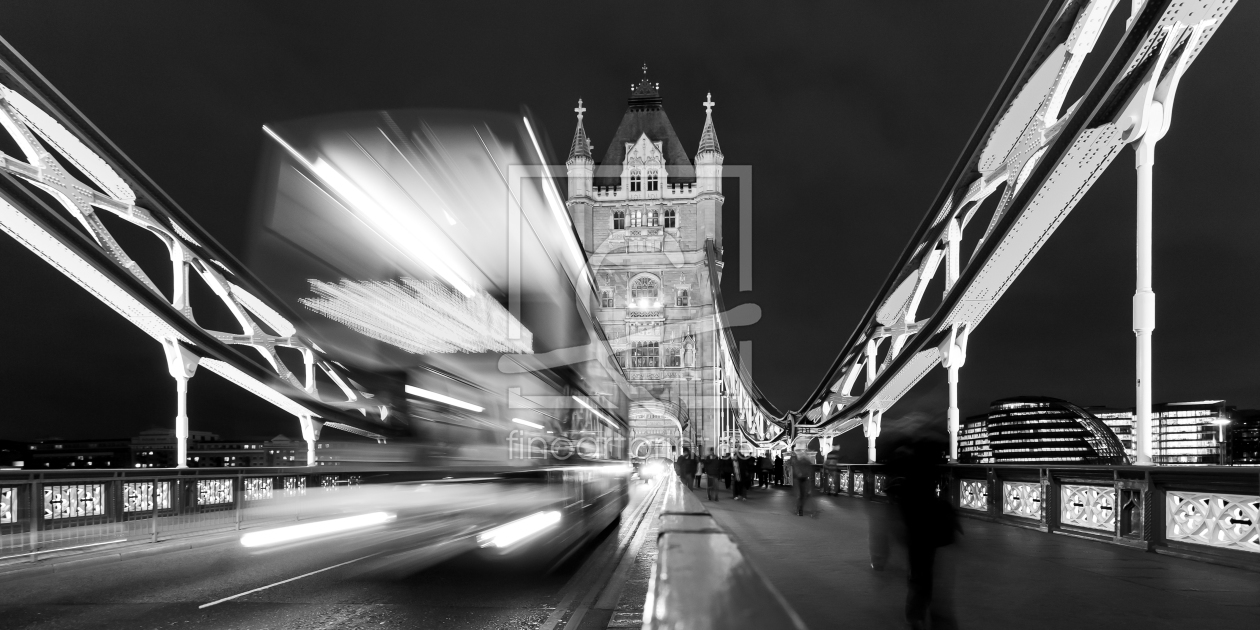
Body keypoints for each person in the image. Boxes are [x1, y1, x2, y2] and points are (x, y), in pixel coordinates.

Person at [886, 437, 959, 630]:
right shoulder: (929, 472)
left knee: (920, 571)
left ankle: (915, 613)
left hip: (917, 528)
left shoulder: (907, 473)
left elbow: (899, 496)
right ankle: (925, 613)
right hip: (928, 527)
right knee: (927, 570)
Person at [790, 448, 814, 516]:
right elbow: (810, 471)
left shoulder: (798, 461)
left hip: (798, 479)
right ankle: (800, 509)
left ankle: (799, 509)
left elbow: (795, 469)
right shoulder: (807, 462)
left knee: (799, 495)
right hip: (804, 479)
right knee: (803, 495)